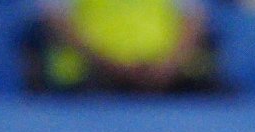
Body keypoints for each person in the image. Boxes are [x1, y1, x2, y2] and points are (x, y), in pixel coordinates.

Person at [35, 0, 216, 93]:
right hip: (87, 79)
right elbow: (56, 19)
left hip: (165, 79)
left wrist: (167, 66)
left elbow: (193, 19)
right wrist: (106, 63)